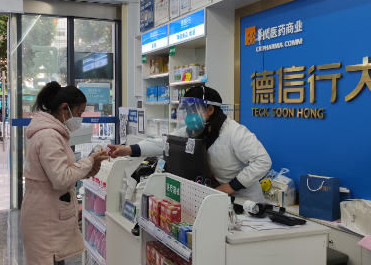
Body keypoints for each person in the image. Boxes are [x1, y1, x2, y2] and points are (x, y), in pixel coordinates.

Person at [20, 81, 108, 265]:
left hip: (50, 213)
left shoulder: (54, 132)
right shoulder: (48, 135)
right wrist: (89, 161)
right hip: (43, 217)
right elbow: (60, 178)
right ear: (64, 108)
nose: (79, 118)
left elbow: (64, 173)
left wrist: (90, 165)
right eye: (79, 112)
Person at [108, 85, 271, 204]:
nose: (189, 116)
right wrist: (128, 150)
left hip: (246, 201)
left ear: (210, 110)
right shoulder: (195, 130)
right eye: (187, 111)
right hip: (219, 198)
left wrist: (231, 186)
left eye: (194, 111)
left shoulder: (234, 132)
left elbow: (263, 161)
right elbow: (163, 143)